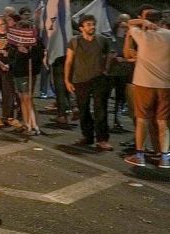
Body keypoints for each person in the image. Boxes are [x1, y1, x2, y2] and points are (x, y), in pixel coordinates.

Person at [123, 11, 170, 168]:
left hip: (144, 83)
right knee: (163, 122)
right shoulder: (168, 35)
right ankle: (165, 158)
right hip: (165, 85)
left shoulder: (142, 35)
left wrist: (142, 22)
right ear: (162, 21)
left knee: (142, 120)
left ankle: (139, 156)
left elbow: (129, 24)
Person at [64, 14, 114, 151]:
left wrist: (106, 69)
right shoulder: (74, 41)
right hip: (80, 80)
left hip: (99, 79)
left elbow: (110, 54)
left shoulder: (102, 40)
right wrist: (67, 80)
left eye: (93, 24)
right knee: (83, 110)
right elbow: (68, 61)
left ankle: (102, 139)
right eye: (88, 25)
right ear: (81, 28)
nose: (92, 27)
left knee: (101, 110)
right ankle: (87, 136)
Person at [6, 21, 45, 135]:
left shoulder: (36, 42)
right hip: (18, 73)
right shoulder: (14, 44)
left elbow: (38, 58)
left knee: (28, 98)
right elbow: (12, 58)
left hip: (28, 73)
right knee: (22, 99)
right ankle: (26, 123)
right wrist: (9, 65)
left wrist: (27, 52)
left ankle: (34, 126)